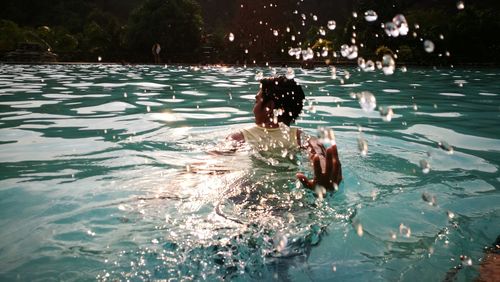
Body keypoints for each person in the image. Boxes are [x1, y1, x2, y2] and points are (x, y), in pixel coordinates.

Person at [227, 75, 342, 191]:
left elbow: (215, 163)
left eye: (256, 101)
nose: (253, 108)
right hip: (292, 194)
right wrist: (324, 177)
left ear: (269, 107)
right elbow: (319, 156)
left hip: (250, 190)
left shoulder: (240, 136)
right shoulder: (304, 138)